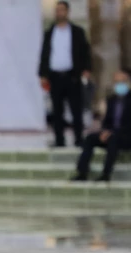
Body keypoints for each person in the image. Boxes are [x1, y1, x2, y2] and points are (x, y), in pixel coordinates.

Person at [71, 70, 131, 182]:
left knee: (113, 139)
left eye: (122, 82)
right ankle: (82, 172)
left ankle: (106, 174)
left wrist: (113, 132)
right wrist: (104, 131)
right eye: (117, 82)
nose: (119, 85)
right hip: (113, 134)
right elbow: (107, 121)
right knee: (90, 138)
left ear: (127, 83)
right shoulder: (111, 100)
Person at [38, 1, 92, 147]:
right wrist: (42, 74)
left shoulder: (77, 32)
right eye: (57, 10)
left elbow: (85, 52)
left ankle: (79, 139)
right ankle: (59, 140)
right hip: (55, 76)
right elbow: (44, 54)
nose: (59, 13)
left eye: (62, 10)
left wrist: (86, 69)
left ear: (67, 12)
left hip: (72, 76)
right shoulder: (49, 33)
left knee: (76, 109)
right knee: (57, 110)